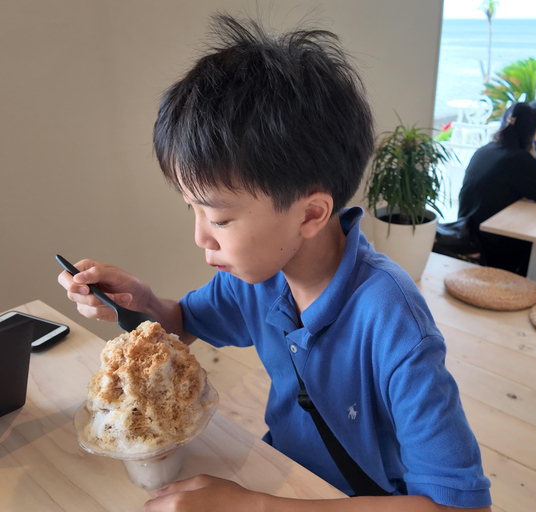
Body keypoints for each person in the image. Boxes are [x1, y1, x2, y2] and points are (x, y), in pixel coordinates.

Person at [57, 14, 492, 512]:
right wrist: (142, 303)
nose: (199, 236)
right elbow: (183, 323)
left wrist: (256, 507)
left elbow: (460, 505)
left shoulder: (394, 323)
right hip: (280, 470)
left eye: (218, 218)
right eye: (191, 208)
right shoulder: (256, 280)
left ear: (310, 213)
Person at [456, 102, 536, 275]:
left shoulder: (485, 150)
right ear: (530, 133)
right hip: (489, 244)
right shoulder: (519, 158)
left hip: (465, 232)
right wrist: (531, 155)